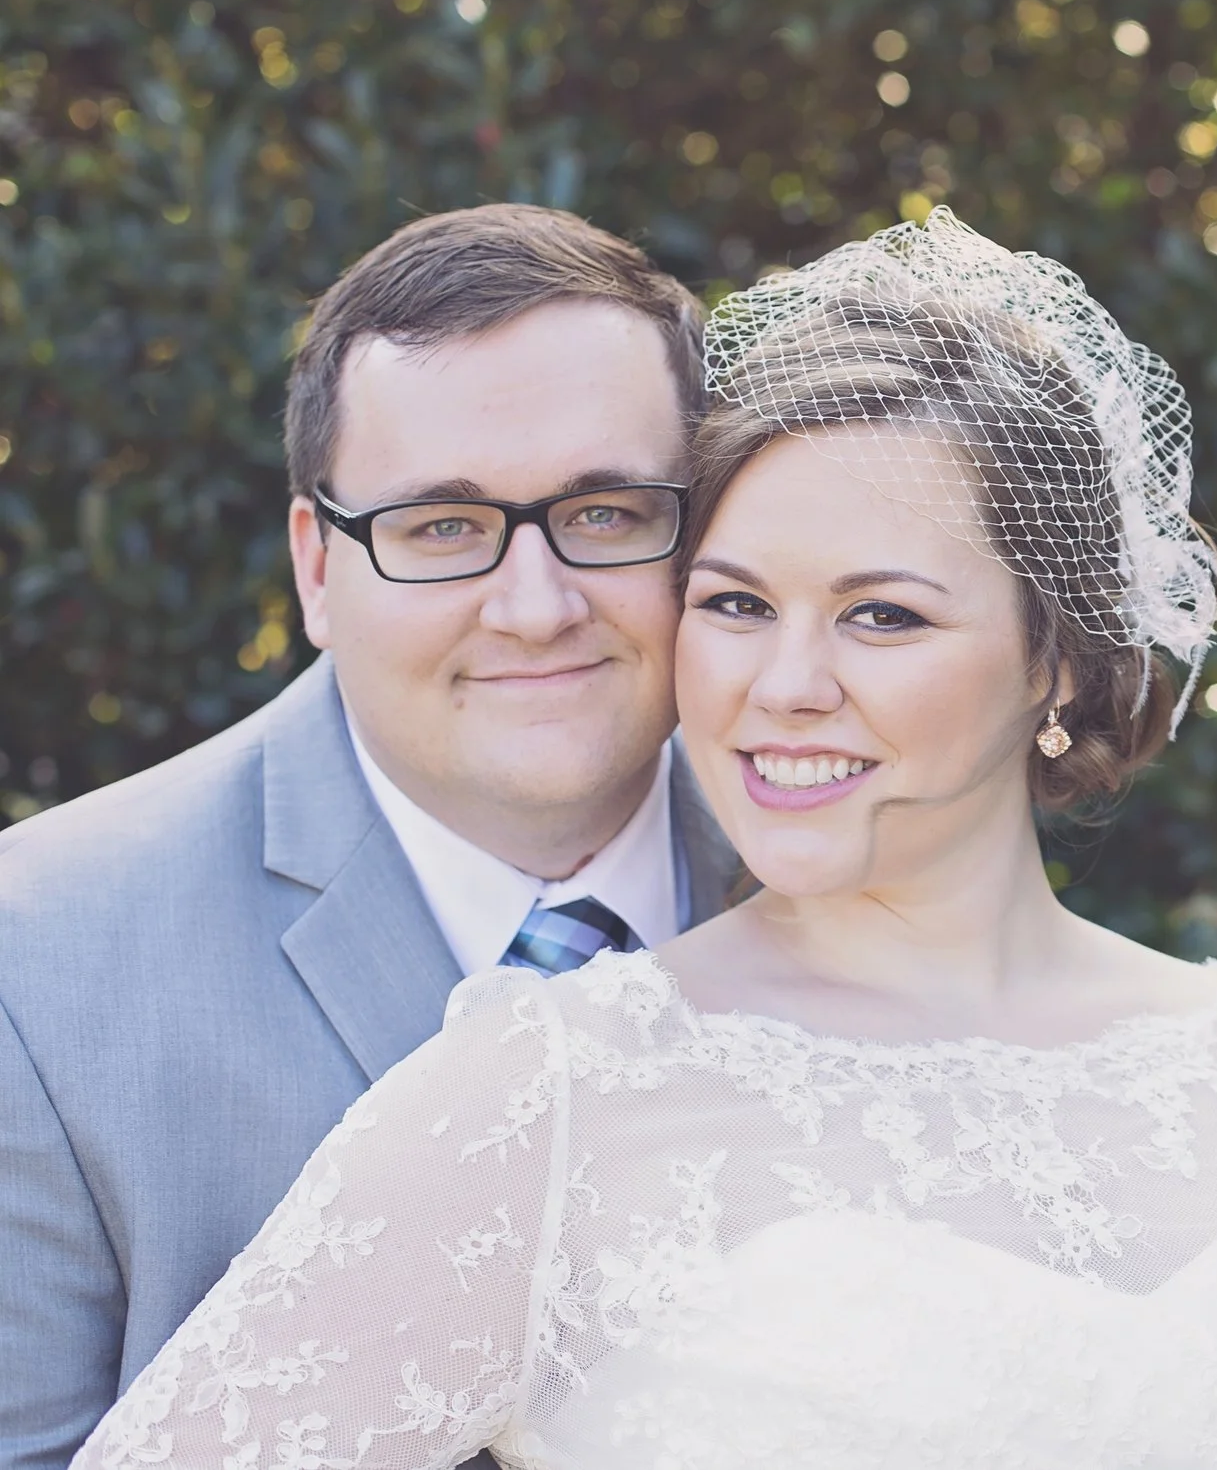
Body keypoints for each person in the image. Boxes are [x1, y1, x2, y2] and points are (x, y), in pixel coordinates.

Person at [69, 210, 1217, 1470]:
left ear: (1056, 657)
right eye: (737, 603)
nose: (784, 682)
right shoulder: (544, 1091)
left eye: (883, 614)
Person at [0, 206, 743, 1470]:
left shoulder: (855, 871)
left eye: (608, 512)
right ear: (316, 568)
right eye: (441, 527)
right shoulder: (37, 966)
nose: (536, 605)